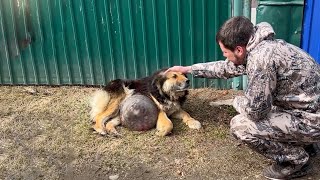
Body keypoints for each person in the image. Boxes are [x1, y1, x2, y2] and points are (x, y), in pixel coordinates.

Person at [166, 16, 320, 179]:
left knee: (241, 126)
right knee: (271, 106)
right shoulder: (262, 45)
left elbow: (255, 112)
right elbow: (225, 68)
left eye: (225, 52)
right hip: (307, 109)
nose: (225, 57)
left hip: (311, 120)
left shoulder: (261, 60)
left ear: (239, 50)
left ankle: (296, 161)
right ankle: (308, 144)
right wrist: (188, 69)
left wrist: (237, 101)